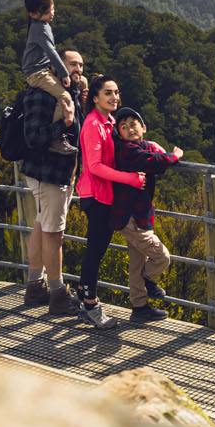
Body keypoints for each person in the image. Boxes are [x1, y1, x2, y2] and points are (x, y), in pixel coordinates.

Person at [18, 48, 87, 312]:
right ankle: (58, 294)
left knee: (41, 224)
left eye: (81, 64)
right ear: (56, 65)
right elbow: (34, 137)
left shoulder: (68, 94)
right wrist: (63, 124)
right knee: (54, 233)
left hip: (59, 173)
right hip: (48, 173)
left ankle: (35, 287)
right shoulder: (43, 94)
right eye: (72, 64)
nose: (78, 69)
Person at [73, 74, 144, 329]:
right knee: (95, 250)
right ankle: (90, 305)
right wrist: (129, 179)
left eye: (116, 92)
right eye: (108, 93)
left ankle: (82, 292)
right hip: (96, 195)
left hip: (106, 195)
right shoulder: (93, 124)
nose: (115, 97)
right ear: (95, 98)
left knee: (97, 249)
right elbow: (94, 166)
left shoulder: (109, 121)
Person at [110, 107, 183, 323]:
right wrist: (174, 156)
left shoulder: (141, 147)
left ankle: (139, 307)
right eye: (123, 127)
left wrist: (155, 147)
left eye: (133, 124)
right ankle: (148, 279)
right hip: (131, 219)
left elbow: (149, 152)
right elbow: (154, 162)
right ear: (119, 134)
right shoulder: (126, 152)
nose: (129, 129)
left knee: (136, 262)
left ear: (143, 128)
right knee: (161, 257)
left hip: (137, 216)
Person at [21, 0, 77, 155]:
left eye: (52, 9)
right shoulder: (41, 28)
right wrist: (64, 73)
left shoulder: (41, 26)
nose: (52, 13)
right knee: (65, 97)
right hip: (37, 74)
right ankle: (56, 138)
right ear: (33, 14)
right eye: (48, 11)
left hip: (41, 69)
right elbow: (51, 52)